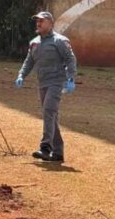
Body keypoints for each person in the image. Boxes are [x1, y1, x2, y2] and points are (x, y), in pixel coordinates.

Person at [15, 11, 77, 163]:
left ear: (50, 23)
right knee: (51, 116)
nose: (38, 23)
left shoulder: (60, 41)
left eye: (41, 21)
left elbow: (70, 59)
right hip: (42, 83)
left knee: (48, 110)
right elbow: (29, 61)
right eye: (37, 21)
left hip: (56, 82)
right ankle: (58, 152)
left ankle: (45, 148)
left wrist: (70, 78)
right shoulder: (34, 42)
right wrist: (21, 75)